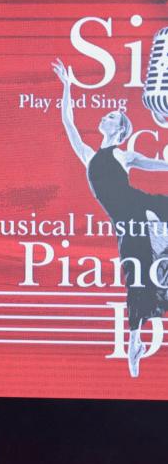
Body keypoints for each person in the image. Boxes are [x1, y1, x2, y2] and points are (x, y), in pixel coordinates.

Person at [54, 59, 168, 377]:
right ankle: (135, 342)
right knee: (136, 275)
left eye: (112, 116)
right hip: (126, 226)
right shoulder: (88, 155)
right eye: (107, 114)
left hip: (143, 210)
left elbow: (160, 166)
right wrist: (67, 86)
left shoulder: (124, 154)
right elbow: (68, 123)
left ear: (120, 130)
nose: (105, 116)